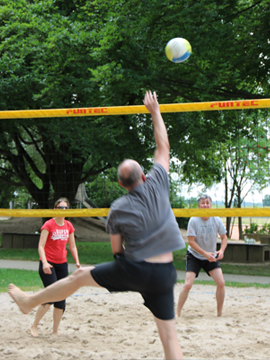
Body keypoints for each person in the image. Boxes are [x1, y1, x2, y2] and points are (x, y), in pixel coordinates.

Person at [9, 91, 185, 360]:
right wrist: (155, 111)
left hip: (135, 269)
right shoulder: (159, 184)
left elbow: (117, 251)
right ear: (145, 176)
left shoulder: (118, 208)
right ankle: (29, 302)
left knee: (78, 277)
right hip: (165, 274)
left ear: (120, 185)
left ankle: (29, 302)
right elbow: (163, 147)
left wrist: (127, 267)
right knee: (170, 338)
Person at [29, 197, 81, 337]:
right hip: (48, 264)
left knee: (61, 298)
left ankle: (55, 331)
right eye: (60, 207)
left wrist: (77, 261)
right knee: (51, 296)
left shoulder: (69, 226)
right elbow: (40, 246)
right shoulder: (49, 224)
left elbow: (73, 246)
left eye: (66, 208)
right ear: (55, 209)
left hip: (62, 265)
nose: (63, 210)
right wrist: (45, 263)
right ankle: (34, 326)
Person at [176, 194, 228, 317]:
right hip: (195, 256)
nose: (205, 205)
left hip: (211, 256)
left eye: (207, 203)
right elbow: (191, 242)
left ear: (211, 205)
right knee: (188, 284)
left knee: (221, 283)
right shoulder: (193, 220)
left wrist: (221, 250)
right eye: (203, 203)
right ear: (199, 206)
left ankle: (219, 313)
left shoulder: (216, 219)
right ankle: (177, 313)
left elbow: (224, 237)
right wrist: (205, 254)